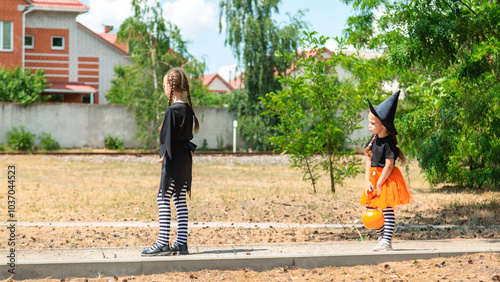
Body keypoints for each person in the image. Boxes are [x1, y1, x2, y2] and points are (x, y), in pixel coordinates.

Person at [142, 68, 199, 256]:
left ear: (170, 87)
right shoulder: (188, 110)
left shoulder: (171, 110)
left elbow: (166, 138)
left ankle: (162, 243)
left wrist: (162, 155)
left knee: (162, 197)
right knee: (180, 199)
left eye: (165, 85)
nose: (164, 88)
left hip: (173, 159)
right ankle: (181, 243)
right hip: (185, 160)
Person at [360, 90, 411, 251]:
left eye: (373, 123)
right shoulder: (373, 138)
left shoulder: (389, 142)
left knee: (387, 210)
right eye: (369, 122)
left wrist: (380, 183)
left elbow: (389, 165)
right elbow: (369, 159)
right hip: (374, 179)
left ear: (383, 125)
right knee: (372, 211)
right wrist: (368, 181)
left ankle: (386, 241)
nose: (369, 125)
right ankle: (381, 238)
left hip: (386, 179)